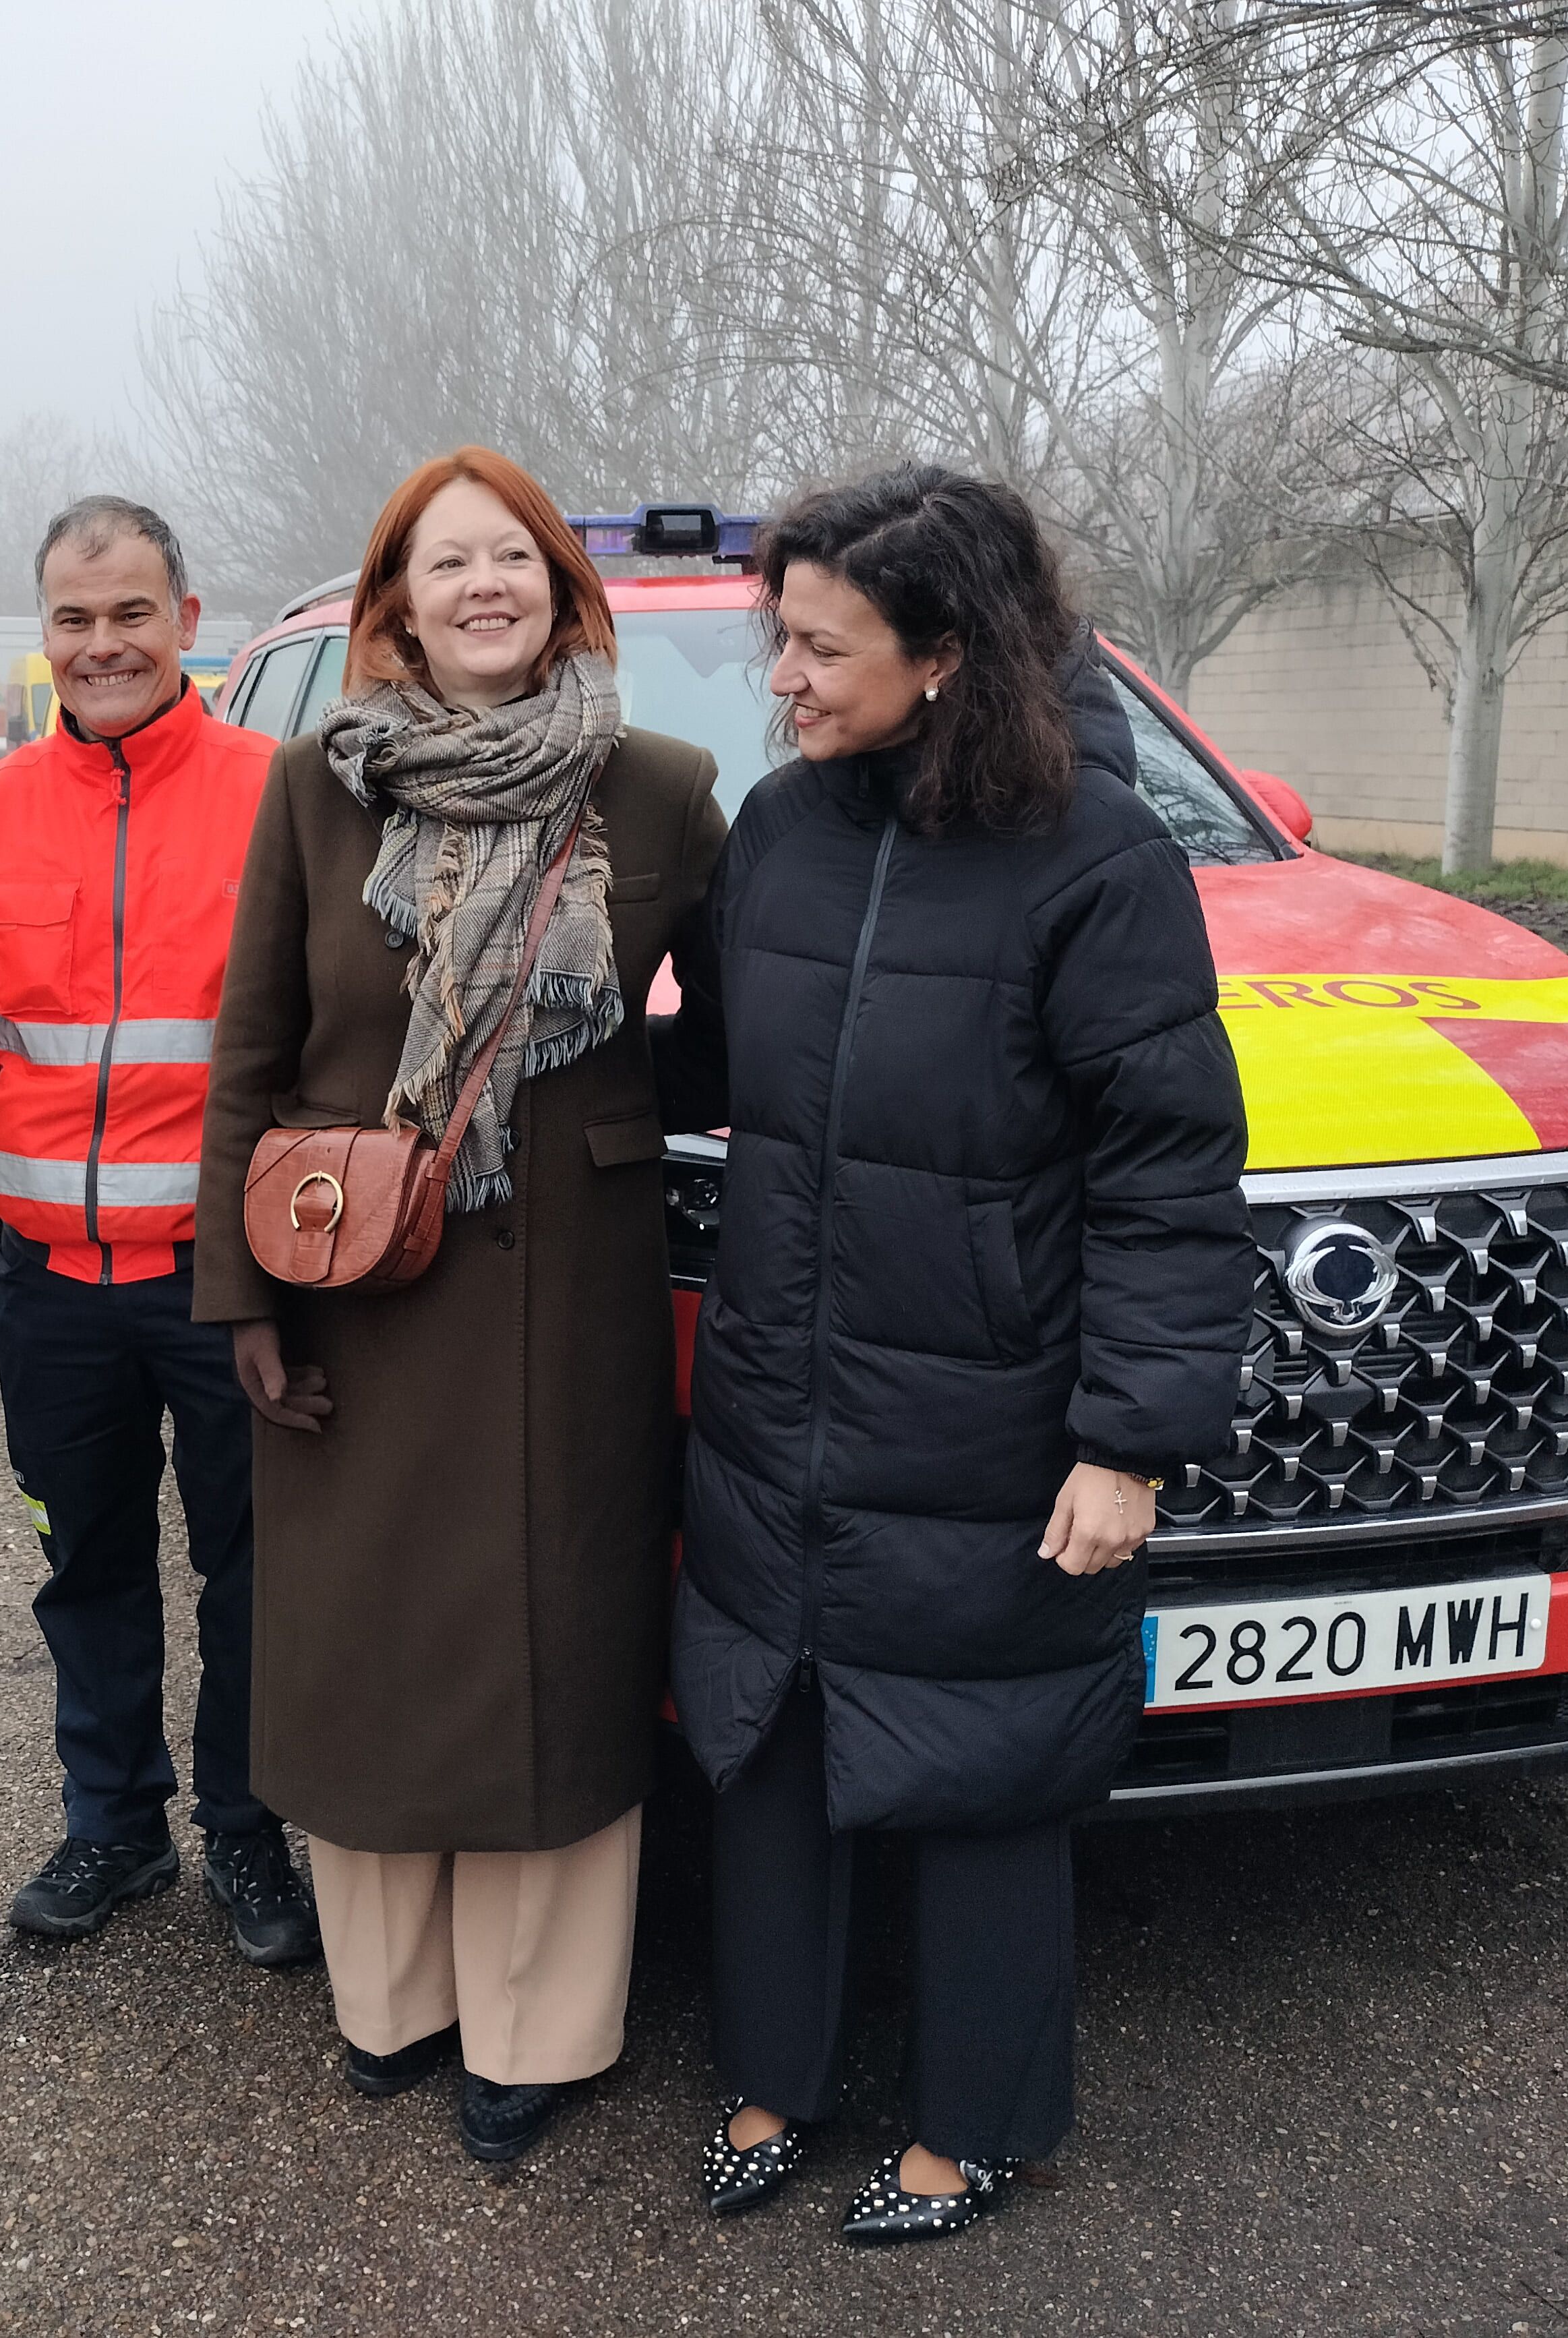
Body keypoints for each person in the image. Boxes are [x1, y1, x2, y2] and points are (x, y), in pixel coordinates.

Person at [654, 465, 1250, 2245]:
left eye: (820, 646)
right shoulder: (780, 828)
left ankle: (975, 2120)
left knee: (986, 1761)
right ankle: (775, 2073)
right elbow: (707, 1074)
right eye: (784, 637)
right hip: (781, 1391)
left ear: (946, 654)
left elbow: (1168, 1171)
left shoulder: (1101, 863)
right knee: (766, 1740)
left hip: (992, 1410)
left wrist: (1131, 1438)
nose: (784, 676)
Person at [193, 448, 727, 2165]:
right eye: (446, 565)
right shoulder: (314, 788)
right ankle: (393, 2003)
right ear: (394, 607)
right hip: (355, 1290)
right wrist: (243, 1301)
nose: (482, 585)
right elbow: (248, 1057)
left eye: (513, 557)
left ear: (562, 586)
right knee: (366, 1653)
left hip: (564, 1300)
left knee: (556, 1651)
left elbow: (729, 1034)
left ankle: (540, 2029)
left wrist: (609, 1105)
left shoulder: (658, 788)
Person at [0, 496, 318, 1969]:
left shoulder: (281, 793)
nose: (102, 643)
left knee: (254, 1573)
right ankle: (114, 1822)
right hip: (50, 1284)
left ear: (188, 621)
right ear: (42, 634)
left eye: (130, 613)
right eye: (73, 618)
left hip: (225, 1282)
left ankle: (250, 1832)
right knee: (87, 1565)